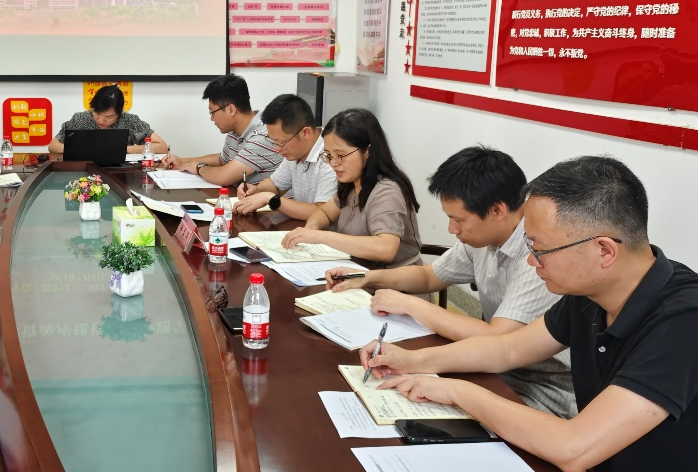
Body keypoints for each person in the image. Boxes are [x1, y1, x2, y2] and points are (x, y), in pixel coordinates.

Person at [363, 156, 698, 472]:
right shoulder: (590, 295)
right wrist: (413, 361)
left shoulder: (692, 320)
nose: (531, 261)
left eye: (540, 249)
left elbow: (573, 447)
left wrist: (457, 391)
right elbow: (509, 348)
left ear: (604, 250)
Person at [325, 146, 573, 417]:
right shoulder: (482, 240)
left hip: (542, 390)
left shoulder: (538, 255)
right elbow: (428, 276)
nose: (451, 229)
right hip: (493, 368)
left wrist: (411, 305)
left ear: (497, 210)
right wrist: (368, 278)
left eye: (458, 220)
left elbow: (499, 339)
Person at [282, 109, 422, 270]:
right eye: (328, 156)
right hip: (357, 270)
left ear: (368, 151)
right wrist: (312, 227)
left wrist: (321, 236)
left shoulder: (387, 191)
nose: (333, 163)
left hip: (395, 280)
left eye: (340, 155)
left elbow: (385, 249)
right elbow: (324, 213)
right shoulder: (351, 183)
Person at [160, 74, 282, 185]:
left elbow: (223, 177)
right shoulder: (235, 131)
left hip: (266, 202)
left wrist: (199, 168)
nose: (211, 119)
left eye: (212, 112)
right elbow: (222, 160)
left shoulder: (263, 136)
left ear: (231, 110)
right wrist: (183, 161)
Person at [231, 94, 335, 220]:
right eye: (274, 142)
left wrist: (269, 198)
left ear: (305, 133)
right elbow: (275, 185)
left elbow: (322, 212)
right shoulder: (296, 152)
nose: (276, 149)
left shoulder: (330, 156)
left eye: (281, 142)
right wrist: (256, 190)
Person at [47, 85, 168, 156]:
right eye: (97, 113)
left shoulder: (130, 121)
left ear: (120, 113)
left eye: (109, 117)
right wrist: (81, 150)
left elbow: (162, 147)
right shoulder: (80, 119)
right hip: (84, 172)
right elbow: (53, 146)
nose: (101, 120)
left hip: (120, 173)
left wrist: (123, 149)